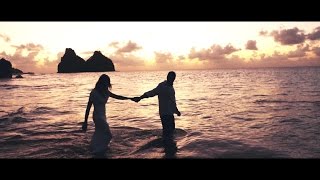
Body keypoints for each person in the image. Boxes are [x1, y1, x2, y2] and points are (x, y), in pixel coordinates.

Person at [82, 74, 132, 157]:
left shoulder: (106, 92)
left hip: (103, 116)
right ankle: (99, 151)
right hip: (97, 117)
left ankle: (94, 148)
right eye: (105, 82)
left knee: (99, 133)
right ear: (101, 82)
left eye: (107, 82)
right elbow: (88, 108)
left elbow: (117, 96)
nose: (106, 84)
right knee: (108, 134)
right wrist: (85, 122)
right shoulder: (94, 92)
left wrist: (130, 98)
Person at [133, 71, 181, 157]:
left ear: (174, 79)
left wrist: (176, 111)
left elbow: (172, 102)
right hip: (165, 114)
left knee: (170, 131)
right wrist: (140, 97)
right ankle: (168, 151)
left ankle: (168, 148)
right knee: (168, 132)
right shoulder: (162, 86)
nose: (171, 79)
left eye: (173, 78)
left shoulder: (170, 87)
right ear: (167, 77)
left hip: (169, 113)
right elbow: (151, 93)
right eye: (170, 77)